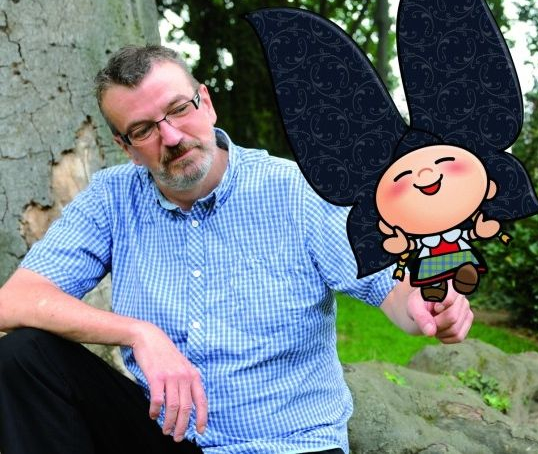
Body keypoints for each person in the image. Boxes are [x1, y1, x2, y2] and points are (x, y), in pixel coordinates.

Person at [0, 45, 473, 454]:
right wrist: (139, 333)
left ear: (206, 103)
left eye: (179, 109)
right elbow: (14, 302)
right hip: (167, 436)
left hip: (285, 444)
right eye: (143, 130)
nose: (171, 137)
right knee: (24, 356)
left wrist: (430, 305)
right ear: (125, 146)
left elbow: (396, 290)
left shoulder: (297, 190)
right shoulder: (112, 198)